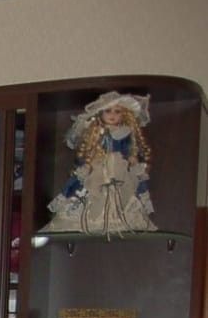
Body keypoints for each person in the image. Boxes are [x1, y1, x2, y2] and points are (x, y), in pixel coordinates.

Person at [42, 90, 156, 235]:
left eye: (117, 111)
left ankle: (117, 219)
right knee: (91, 190)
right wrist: (87, 164)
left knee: (122, 192)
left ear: (124, 114)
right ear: (100, 114)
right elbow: (88, 152)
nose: (112, 115)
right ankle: (91, 220)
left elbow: (129, 150)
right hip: (98, 168)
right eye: (108, 111)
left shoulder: (125, 132)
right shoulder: (95, 131)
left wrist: (133, 160)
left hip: (118, 168)